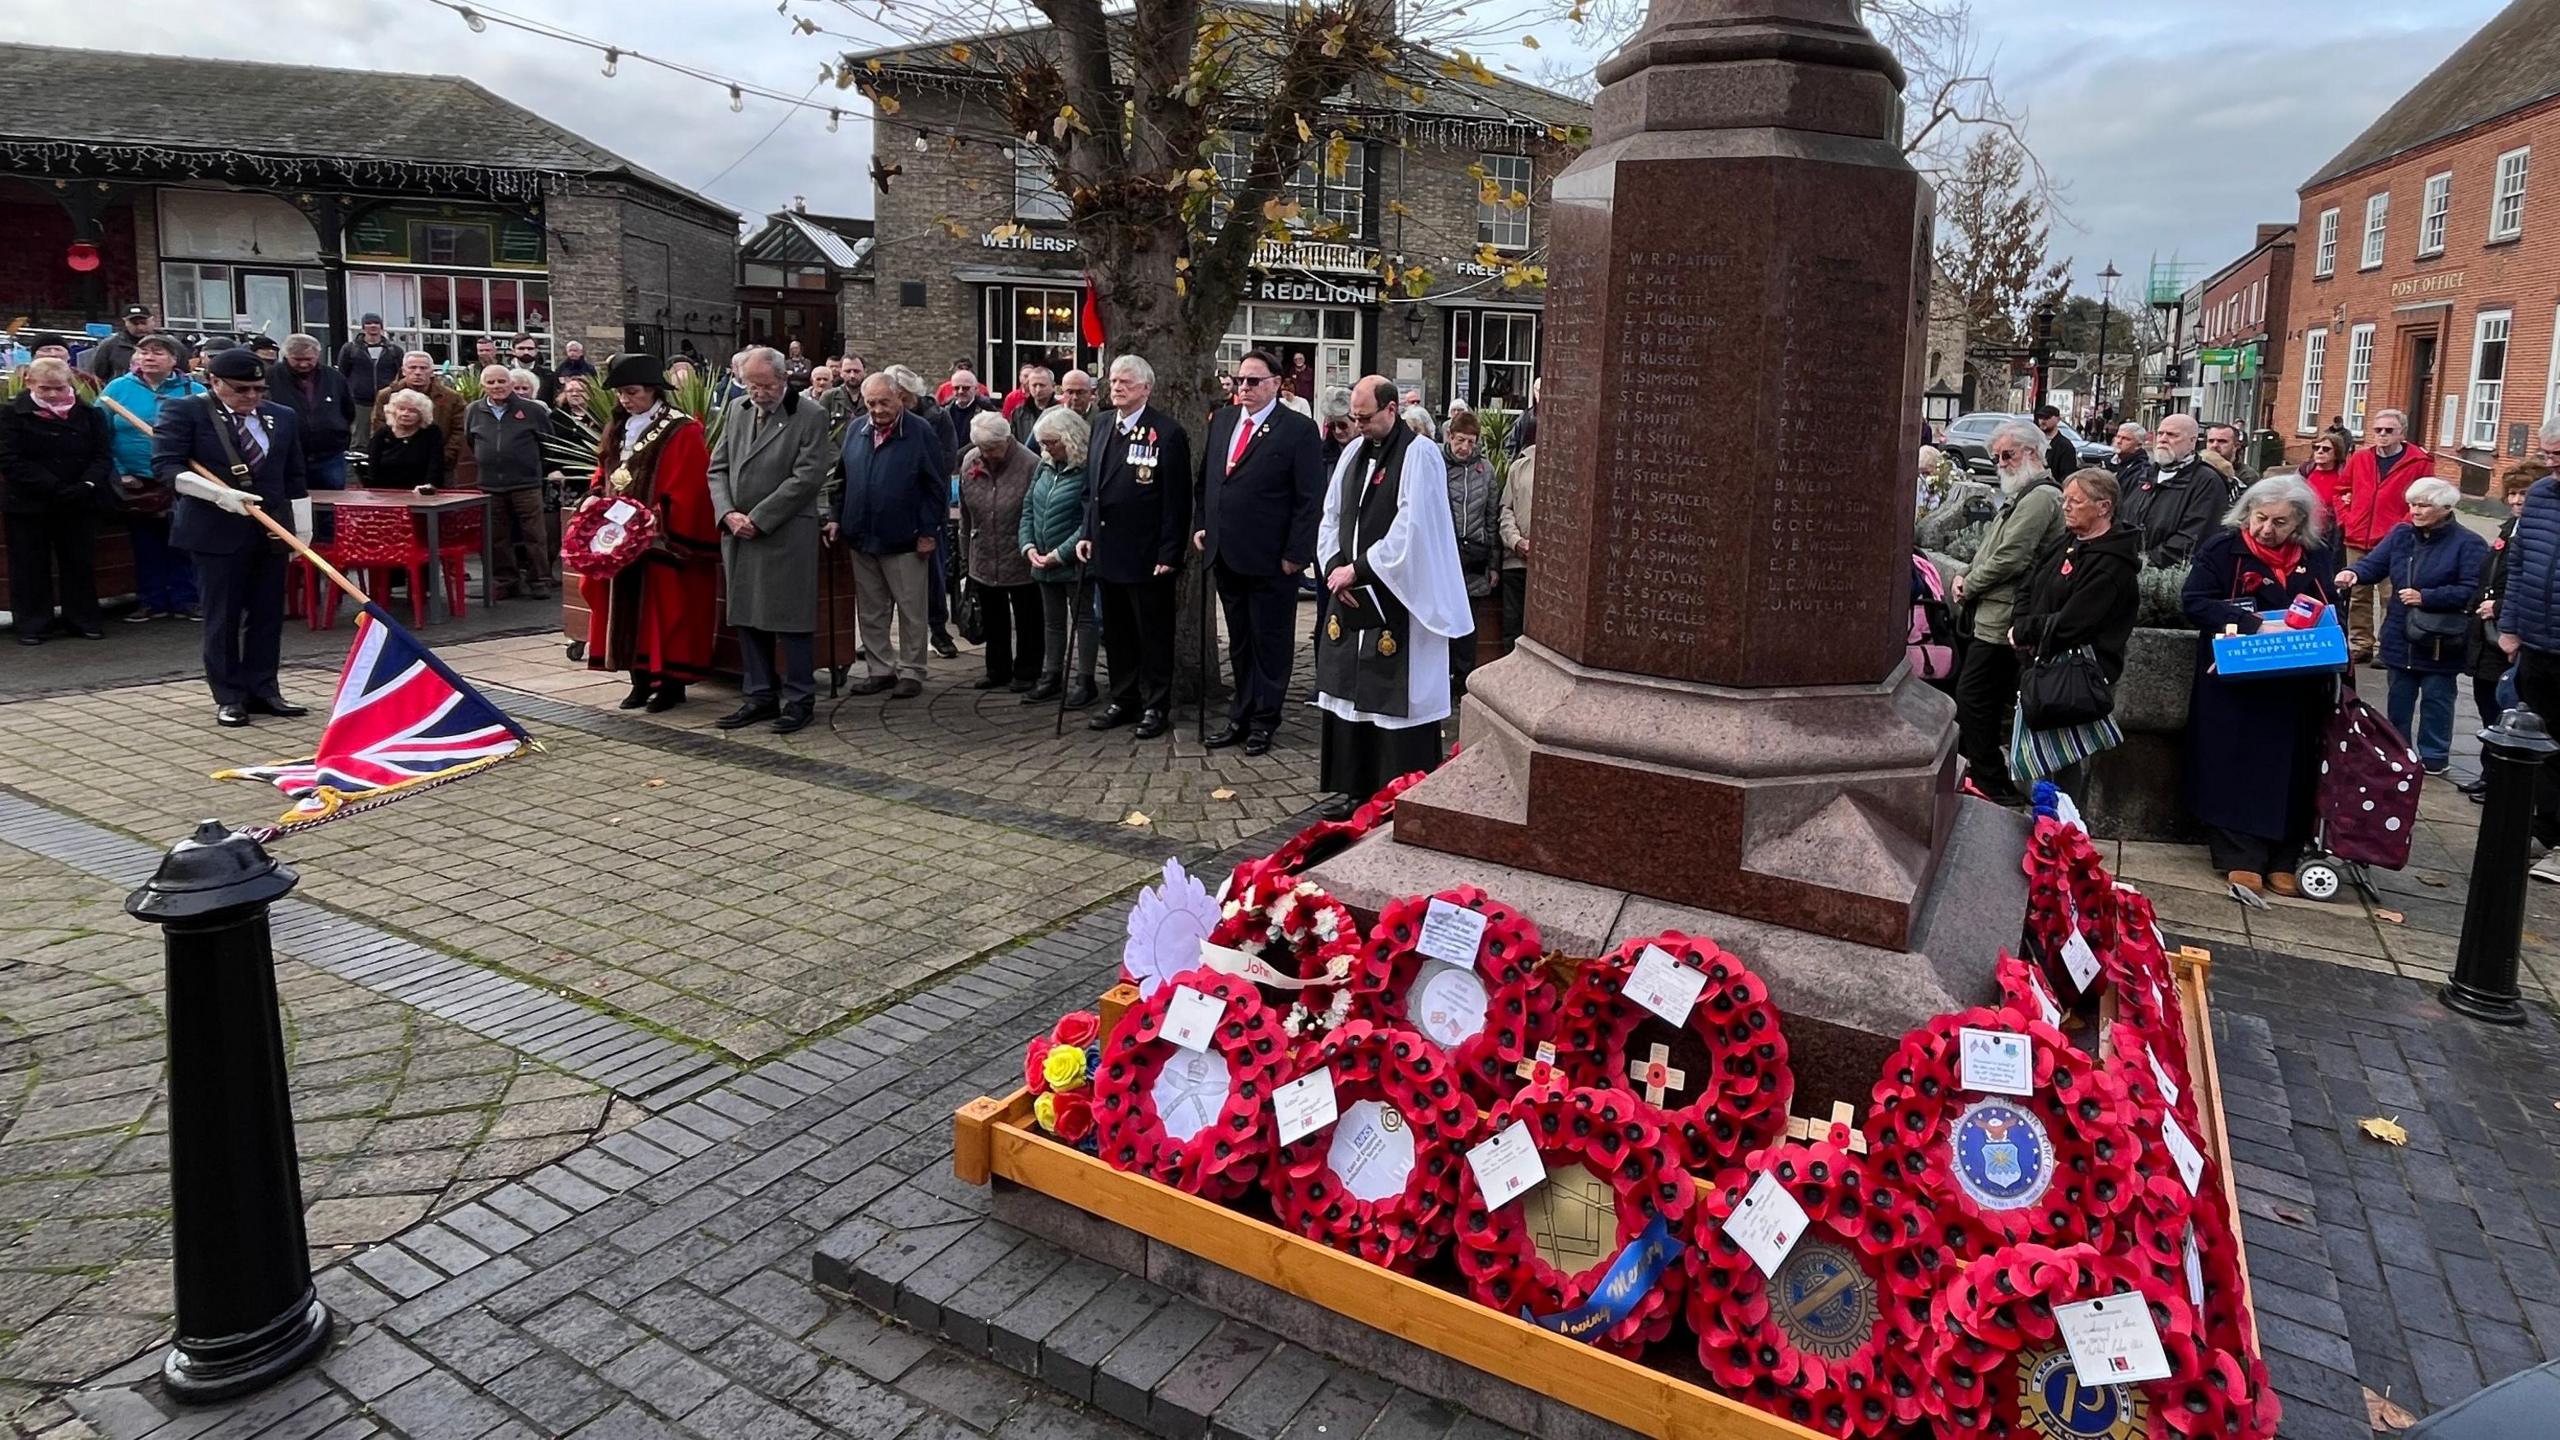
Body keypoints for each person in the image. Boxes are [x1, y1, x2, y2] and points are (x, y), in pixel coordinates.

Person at [1313, 375, 1472, 820]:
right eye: (1354, 418)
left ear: (1390, 409)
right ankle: (1353, 784)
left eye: (1366, 418)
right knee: (1348, 689)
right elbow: (1330, 517)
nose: (1359, 425)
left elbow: (1412, 529)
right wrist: (1333, 568)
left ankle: (1401, 787)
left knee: (1395, 693)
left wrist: (1359, 569)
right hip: (1350, 591)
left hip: (1399, 594)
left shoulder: (1419, 456)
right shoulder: (1350, 454)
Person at [2182, 476, 2341, 900]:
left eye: (2280, 522)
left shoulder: (2316, 555)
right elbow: (2194, 601)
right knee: (2236, 763)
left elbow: (2329, 605)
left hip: (2295, 683)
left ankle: (2284, 856)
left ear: (2299, 523)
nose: (2267, 530)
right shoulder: (2223, 549)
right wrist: (2256, 625)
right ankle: (2241, 854)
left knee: (2292, 765)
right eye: (2260, 518)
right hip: (2238, 680)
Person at [154, 346, 312, 726]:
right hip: (214, 530)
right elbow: (165, 466)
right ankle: (229, 696)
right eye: (242, 390)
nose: (253, 397)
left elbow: (293, 475)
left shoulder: (282, 417)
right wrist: (217, 494)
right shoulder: (186, 411)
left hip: (271, 529)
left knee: (267, 615)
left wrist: (302, 528)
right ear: (214, 381)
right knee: (222, 616)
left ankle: (264, 689)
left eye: (259, 389)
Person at [1194, 348, 1323, 753]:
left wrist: (1297, 553)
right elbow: (1210, 479)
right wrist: (1203, 524)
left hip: (1271, 557)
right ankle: (1240, 713)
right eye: (1239, 380)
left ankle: (1265, 720)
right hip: (1227, 552)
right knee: (1240, 640)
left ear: (1275, 384)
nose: (1243, 388)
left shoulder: (1297, 429)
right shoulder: (1225, 420)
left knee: (1270, 641)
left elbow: (1309, 498)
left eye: (1253, 381)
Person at [706, 347, 833, 734]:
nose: (758, 393)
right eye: (750, 384)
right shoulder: (737, 409)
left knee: (789, 619)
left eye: (765, 385)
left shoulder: (810, 414)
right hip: (738, 532)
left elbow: (807, 476)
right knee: (747, 617)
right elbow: (718, 467)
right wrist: (727, 514)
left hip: (784, 533)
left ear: (782, 379)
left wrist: (758, 519)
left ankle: (799, 699)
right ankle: (759, 694)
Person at [581, 354, 718, 713]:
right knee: (623, 610)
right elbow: (604, 470)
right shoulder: (619, 426)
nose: (626, 400)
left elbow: (690, 486)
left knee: (665, 612)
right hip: (616, 536)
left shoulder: (682, 429)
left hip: (659, 540)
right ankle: (639, 680)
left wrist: (656, 518)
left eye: (632, 392)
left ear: (654, 390)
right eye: (621, 394)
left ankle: (670, 685)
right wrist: (594, 499)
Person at [1075, 354, 1193, 738]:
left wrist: (1169, 551)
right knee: (1118, 631)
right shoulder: (1103, 425)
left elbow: (1176, 500)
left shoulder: (1167, 432)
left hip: (1147, 553)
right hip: (1108, 548)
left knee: (1153, 633)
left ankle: (1156, 704)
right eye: (1113, 380)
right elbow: (1092, 489)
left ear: (1146, 388)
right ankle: (1123, 698)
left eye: (1126, 381)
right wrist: (1087, 533)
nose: (1117, 386)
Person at [2007, 468, 2140, 803]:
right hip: (2041, 662)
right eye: (2064, 499)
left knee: (2065, 762)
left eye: (2075, 501)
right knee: (2039, 763)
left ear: (2104, 507)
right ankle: (2044, 827)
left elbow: (2075, 622)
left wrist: (2024, 631)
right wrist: (2020, 623)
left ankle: (2065, 836)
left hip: (2077, 674)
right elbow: (2029, 584)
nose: (2065, 507)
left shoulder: (2112, 563)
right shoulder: (2065, 541)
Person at [2339, 477, 2487, 776]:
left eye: (2423, 505)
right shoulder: (2401, 534)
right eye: (2412, 504)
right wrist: (2352, 573)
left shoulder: (2469, 543)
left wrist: (2427, 597)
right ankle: (2398, 751)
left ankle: (2434, 758)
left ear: (2446, 508)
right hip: (2399, 633)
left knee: (2437, 699)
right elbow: (2375, 564)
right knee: (2399, 699)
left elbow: (2473, 589)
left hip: (2440, 639)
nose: (2415, 511)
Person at [1952, 423, 2065, 803]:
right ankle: (1986, 775)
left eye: (2007, 455)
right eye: (1997, 457)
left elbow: (2012, 556)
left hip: (2005, 617)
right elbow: (1990, 547)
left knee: (1974, 697)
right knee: (1983, 698)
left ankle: (1991, 780)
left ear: (2032, 453)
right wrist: (1965, 574)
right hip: (1994, 613)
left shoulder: (2040, 496)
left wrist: (1970, 584)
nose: (2000, 464)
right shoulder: (2024, 493)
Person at [826, 373, 946, 698]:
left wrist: (927, 532)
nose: (877, 410)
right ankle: (880, 670)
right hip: (862, 537)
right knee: (870, 609)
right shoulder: (856, 429)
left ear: (899, 399)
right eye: (871, 403)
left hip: (905, 539)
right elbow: (840, 480)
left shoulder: (919, 432)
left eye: (884, 402)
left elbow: (936, 487)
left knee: (911, 610)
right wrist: (836, 517)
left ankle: (911, 671)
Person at [0, 357, 115, 643]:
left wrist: (87, 483)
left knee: (79, 562)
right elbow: (10, 459)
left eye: (59, 388)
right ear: (29, 384)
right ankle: (32, 624)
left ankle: (83, 619)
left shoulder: (90, 415)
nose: (53, 394)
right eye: (45, 388)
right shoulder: (11, 415)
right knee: (29, 565)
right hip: (29, 501)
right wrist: (53, 485)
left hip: (79, 499)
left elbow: (102, 456)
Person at [100, 336, 204, 621]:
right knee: (145, 544)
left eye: (157, 352)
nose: (149, 357)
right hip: (136, 479)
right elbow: (101, 433)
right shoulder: (117, 389)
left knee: (182, 540)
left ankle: (187, 598)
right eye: (143, 351)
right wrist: (121, 471)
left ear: (174, 360)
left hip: (181, 478)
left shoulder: (193, 391)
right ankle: (152, 600)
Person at [2502, 422, 2560, 877]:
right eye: (2546, 454)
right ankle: (2544, 827)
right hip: (2537, 641)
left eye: (2558, 454)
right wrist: (2511, 626)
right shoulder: (2540, 496)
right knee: (2542, 738)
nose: (2551, 461)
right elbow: (2518, 564)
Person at [2336, 409, 2433, 663]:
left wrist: (2401, 530)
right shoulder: (2360, 458)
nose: (2382, 435)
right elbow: (2341, 490)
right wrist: (2347, 518)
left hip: (2396, 540)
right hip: (2357, 536)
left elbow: (2425, 500)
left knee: (2391, 595)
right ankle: (2361, 643)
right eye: (2378, 430)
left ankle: (2386, 646)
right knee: (2358, 593)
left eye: (2389, 430)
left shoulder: (2419, 462)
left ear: (2402, 432)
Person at [961, 410, 1044, 692]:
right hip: (983, 550)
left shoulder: (1031, 464)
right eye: (983, 448)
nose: (989, 454)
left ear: (1007, 439)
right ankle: (997, 669)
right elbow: (965, 513)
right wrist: (966, 551)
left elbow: (1037, 512)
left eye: (994, 448)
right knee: (993, 615)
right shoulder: (971, 461)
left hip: (1021, 552)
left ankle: (1028, 670)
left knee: (1028, 615)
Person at [1022, 405, 1099, 706]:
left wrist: (1060, 554)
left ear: (1070, 438)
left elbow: (1088, 520)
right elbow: (1028, 508)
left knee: (1084, 619)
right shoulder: (1044, 467)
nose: (1046, 448)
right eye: (1043, 443)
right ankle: (1051, 675)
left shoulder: (1086, 469)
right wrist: (1028, 546)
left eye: (1052, 442)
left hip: (1073, 559)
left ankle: (1085, 680)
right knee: (1052, 621)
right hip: (1041, 556)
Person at [886, 364, 961, 657]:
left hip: (927, 505)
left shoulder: (936, 418)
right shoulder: (884, 417)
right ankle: (882, 638)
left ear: (904, 394)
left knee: (932, 570)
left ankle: (938, 631)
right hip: (892, 508)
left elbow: (944, 461)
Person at [466, 365, 554, 599]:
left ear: (510, 383)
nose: (497, 387)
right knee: (497, 537)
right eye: (491, 383)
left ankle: (539, 580)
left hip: (526, 483)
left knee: (534, 535)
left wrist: (537, 468)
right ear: (483, 386)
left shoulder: (532, 411)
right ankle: (506, 581)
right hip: (490, 485)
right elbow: (470, 440)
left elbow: (548, 443)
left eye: (501, 382)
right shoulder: (473, 411)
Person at [2465, 468, 2533, 770]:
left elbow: (2531, 585)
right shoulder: (2509, 529)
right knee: (2487, 704)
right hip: (2488, 633)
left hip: (2512, 632)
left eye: (2524, 494)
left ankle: (2501, 776)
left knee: (2508, 707)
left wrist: (2499, 607)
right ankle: (2489, 771)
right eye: (2513, 494)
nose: (2517, 500)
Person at [1441, 409, 1499, 695]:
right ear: (1450, 437)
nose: (1465, 448)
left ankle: (1462, 684)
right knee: (1440, 624)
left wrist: (1493, 564)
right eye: (1460, 440)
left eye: (1471, 442)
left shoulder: (1485, 471)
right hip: (1444, 556)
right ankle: (1440, 680)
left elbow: (1492, 518)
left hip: (1474, 557)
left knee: (1468, 627)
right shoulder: (1437, 464)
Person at [2119, 414, 2223, 567]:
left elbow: (2192, 538)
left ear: (2192, 441)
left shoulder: (2207, 482)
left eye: (2172, 435)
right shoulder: (2144, 475)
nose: (2163, 439)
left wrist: (2146, 562)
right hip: (2129, 567)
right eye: (2160, 433)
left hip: (2166, 575)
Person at [266, 335, 354, 505]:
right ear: (286, 356)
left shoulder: (334, 377)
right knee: (292, 502)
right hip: (288, 454)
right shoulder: (270, 378)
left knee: (333, 502)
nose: (304, 364)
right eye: (297, 359)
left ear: (317, 356)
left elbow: (348, 410)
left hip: (329, 454)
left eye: (309, 359)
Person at [367, 352, 468, 481]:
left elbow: (459, 431)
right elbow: (378, 427)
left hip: (438, 468)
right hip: (391, 468)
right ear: (403, 371)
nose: (418, 372)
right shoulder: (386, 395)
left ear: (432, 372)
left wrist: (443, 458)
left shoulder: (452, 398)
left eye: (423, 368)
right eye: (412, 367)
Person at [368, 389, 447, 493]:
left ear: (422, 414)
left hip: (421, 493)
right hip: (386, 493)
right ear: (394, 411)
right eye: (401, 409)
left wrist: (429, 485)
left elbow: (435, 463)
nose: (405, 414)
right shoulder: (382, 434)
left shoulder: (431, 432)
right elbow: (373, 468)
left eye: (412, 411)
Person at [1499, 440, 1535, 646]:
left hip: (1552, 570)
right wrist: (1516, 541)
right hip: (1517, 564)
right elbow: (1506, 509)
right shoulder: (1520, 466)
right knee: (1513, 628)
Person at [336, 314, 403, 406]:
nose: (373, 326)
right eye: (368, 323)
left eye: (376, 323)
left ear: (381, 327)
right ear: (363, 328)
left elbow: (401, 374)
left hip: (387, 401)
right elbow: (342, 374)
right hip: (359, 402)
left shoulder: (395, 350)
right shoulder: (350, 349)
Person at [83, 305, 160, 382]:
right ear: (125, 323)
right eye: (135, 323)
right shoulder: (110, 345)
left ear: (152, 321)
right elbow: (97, 375)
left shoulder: (164, 343)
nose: (140, 327)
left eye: (143, 322)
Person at [2297, 432, 2350, 532]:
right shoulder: (2305, 470)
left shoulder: (2344, 475)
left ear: (2336, 453)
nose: (2320, 452)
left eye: (2326, 449)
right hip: (2305, 527)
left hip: (2332, 531)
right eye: (2316, 448)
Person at [1009, 365, 1057, 446]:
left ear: (1053, 386)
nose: (1038, 390)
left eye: (1042, 385)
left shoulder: (1061, 412)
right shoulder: (1018, 413)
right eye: (1034, 385)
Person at [2204, 422, 2259, 492]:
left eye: (2222, 441)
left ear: (2236, 445)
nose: (2214, 445)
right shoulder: (2194, 469)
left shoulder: (2248, 476)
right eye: (2211, 441)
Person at [2032, 404, 2077, 483]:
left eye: (2046, 417)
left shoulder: (2065, 446)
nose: (2042, 421)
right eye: (2040, 417)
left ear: (2058, 419)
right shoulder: (2033, 442)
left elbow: (2067, 475)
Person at [511, 334, 557, 405]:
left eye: (530, 349)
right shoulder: (504, 374)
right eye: (521, 348)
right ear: (513, 351)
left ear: (536, 351)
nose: (526, 352)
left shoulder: (549, 376)